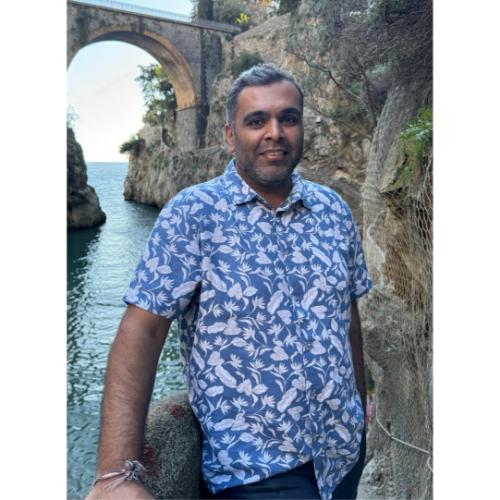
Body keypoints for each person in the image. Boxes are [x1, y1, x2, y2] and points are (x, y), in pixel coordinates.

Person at [87, 63, 372, 500]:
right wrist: (114, 474)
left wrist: (359, 401)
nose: (274, 132)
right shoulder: (193, 214)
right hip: (257, 471)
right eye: (256, 121)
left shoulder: (333, 210)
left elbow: (346, 315)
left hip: (343, 452)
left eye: (288, 118)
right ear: (230, 135)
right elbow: (141, 332)